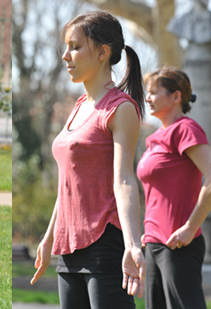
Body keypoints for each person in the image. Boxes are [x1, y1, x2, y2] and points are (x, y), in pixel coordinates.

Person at [29, 10, 146, 307]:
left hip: (104, 243)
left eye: (76, 46)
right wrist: (48, 237)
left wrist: (132, 245)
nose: (66, 56)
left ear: (103, 52)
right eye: (66, 47)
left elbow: (124, 179)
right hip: (67, 246)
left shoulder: (121, 108)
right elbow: (69, 183)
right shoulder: (80, 105)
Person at [137, 67, 210, 308]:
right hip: (154, 244)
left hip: (179, 244)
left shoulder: (185, 130)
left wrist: (190, 227)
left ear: (176, 96)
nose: (147, 98)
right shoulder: (156, 137)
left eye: (154, 92)